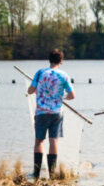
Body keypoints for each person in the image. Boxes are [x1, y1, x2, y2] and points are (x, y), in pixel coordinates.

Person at [27, 49, 75, 178]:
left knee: (39, 141)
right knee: (54, 141)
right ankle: (52, 173)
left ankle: (36, 173)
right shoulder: (64, 75)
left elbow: (31, 90)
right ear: (61, 61)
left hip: (41, 112)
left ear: (49, 60)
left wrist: (36, 91)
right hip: (56, 113)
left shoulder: (40, 72)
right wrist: (61, 98)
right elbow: (72, 95)